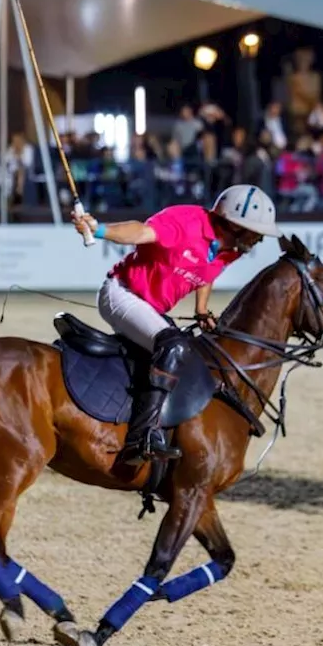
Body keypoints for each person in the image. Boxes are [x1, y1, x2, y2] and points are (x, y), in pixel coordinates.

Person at [72, 184, 282, 465]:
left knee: (192, 352)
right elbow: (140, 231)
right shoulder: (186, 222)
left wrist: (201, 308)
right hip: (122, 293)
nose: (258, 239)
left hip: (151, 308)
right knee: (173, 347)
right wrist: (99, 229)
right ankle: (142, 437)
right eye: (256, 232)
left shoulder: (232, 248)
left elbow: (208, 272)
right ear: (234, 224)